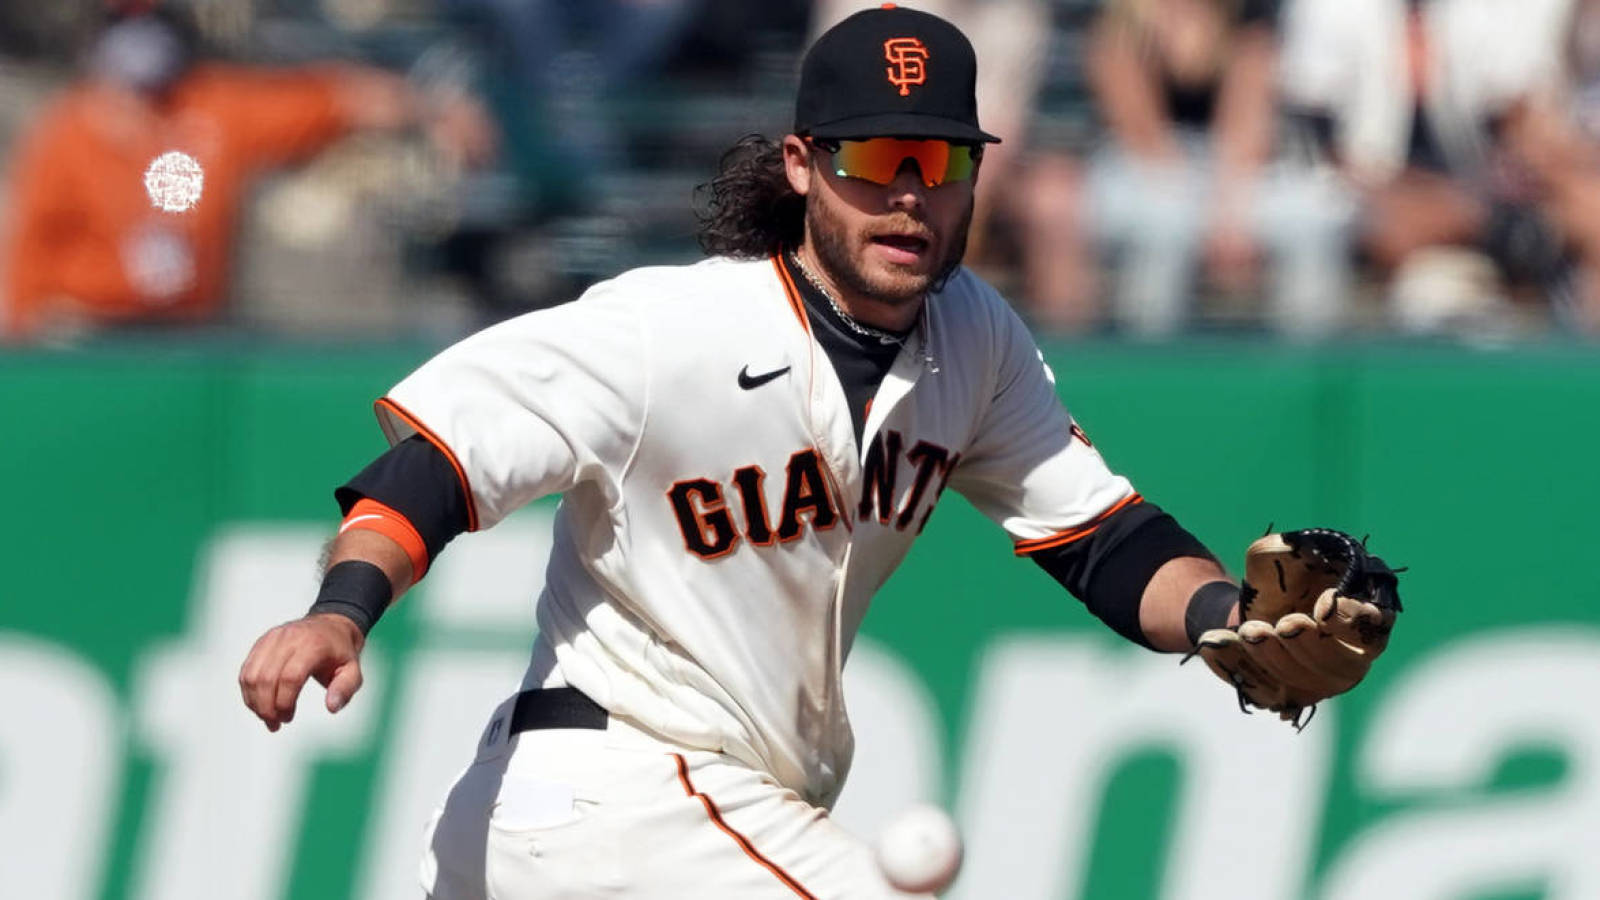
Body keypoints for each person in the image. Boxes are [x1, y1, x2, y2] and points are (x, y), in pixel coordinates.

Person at [238, 6, 1384, 897]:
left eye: (937, 164)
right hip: (614, 789)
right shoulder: (670, 328)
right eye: (874, 158)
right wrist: (342, 609)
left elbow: (1100, 537)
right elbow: (442, 459)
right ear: (800, 166)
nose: (905, 196)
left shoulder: (972, 335)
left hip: (637, 826)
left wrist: (1225, 615)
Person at [0, 2, 494, 342]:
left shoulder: (209, 105)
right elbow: (25, 250)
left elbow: (334, 99)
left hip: (186, 333)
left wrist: (433, 108)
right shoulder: (64, 131)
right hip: (88, 334)